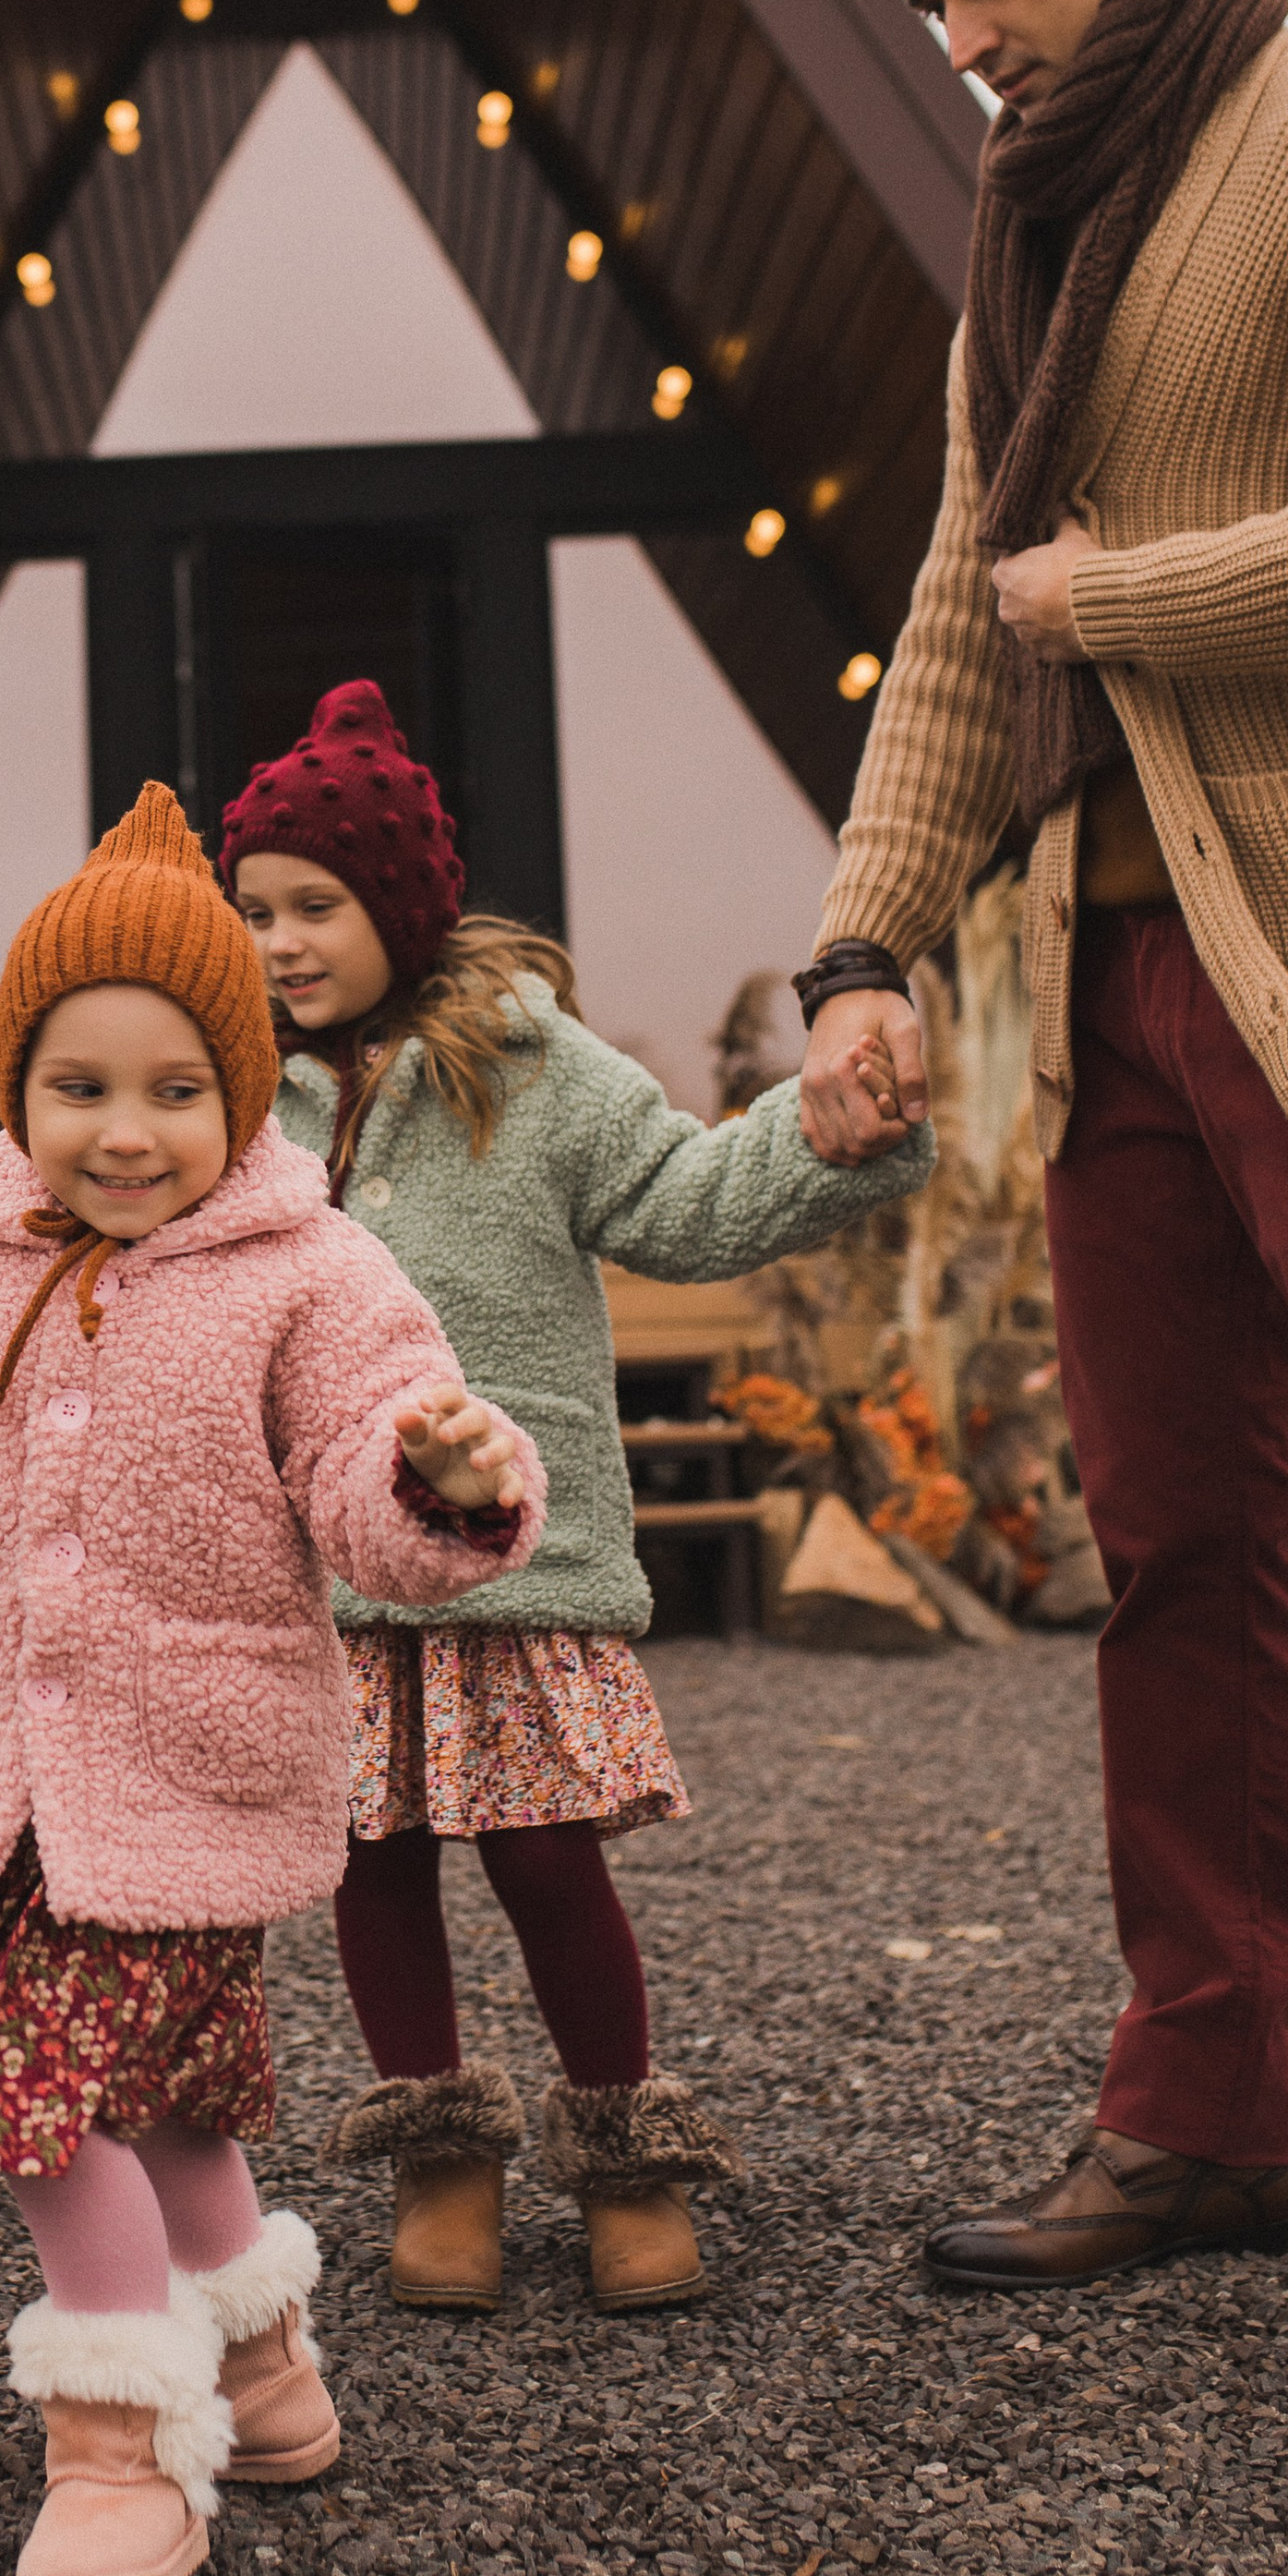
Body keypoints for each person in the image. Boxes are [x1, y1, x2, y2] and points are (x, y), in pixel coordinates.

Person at [0, 783, 543, 2576]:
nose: (125, 1131)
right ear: (13, 1083)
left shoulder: (306, 1268)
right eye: (77, 1088)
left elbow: (363, 1477)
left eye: (172, 1089)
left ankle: (115, 2449)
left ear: (238, 1090)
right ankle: (260, 2370)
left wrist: (448, 1478)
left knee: (44, 2106)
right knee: (156, 2106)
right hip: (3, 1761)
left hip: (190, 1763)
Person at [798, 0, 1288, 2290]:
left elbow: (1053, 598)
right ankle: (1209, 2105)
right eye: (922, 1)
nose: (960, 34)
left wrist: (1125, 599)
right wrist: (866, 946)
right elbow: (949, 615)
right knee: (1180, 1546)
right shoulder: (1023, 235)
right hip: (1118, 983)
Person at [218, 683, 934, 2315]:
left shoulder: (534, 1070)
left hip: (510, 1559)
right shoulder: (234, 1093)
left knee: (547, 1861)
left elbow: (684, 1197)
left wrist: (824, 1137)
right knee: (373, 1861)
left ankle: (623, 2145)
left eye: (314, 907)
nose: (278, 942)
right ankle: (440, 2155)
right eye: (252, 909)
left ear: (402, 907)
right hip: (322, 1564)